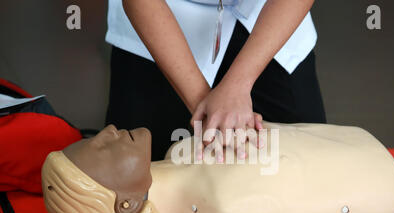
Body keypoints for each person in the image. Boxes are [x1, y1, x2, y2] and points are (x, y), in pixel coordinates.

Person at [41, 123, 394, 213]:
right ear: (127, 205)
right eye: (101, 149)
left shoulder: (182, 150)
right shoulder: (223, 209)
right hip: (377, 176)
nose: (105, 131)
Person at [104, 0, 326, 161]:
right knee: (136, 170)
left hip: (267, 13)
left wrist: (237, 86)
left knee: (310, 163)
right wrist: (209, 115)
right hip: (164, 15)